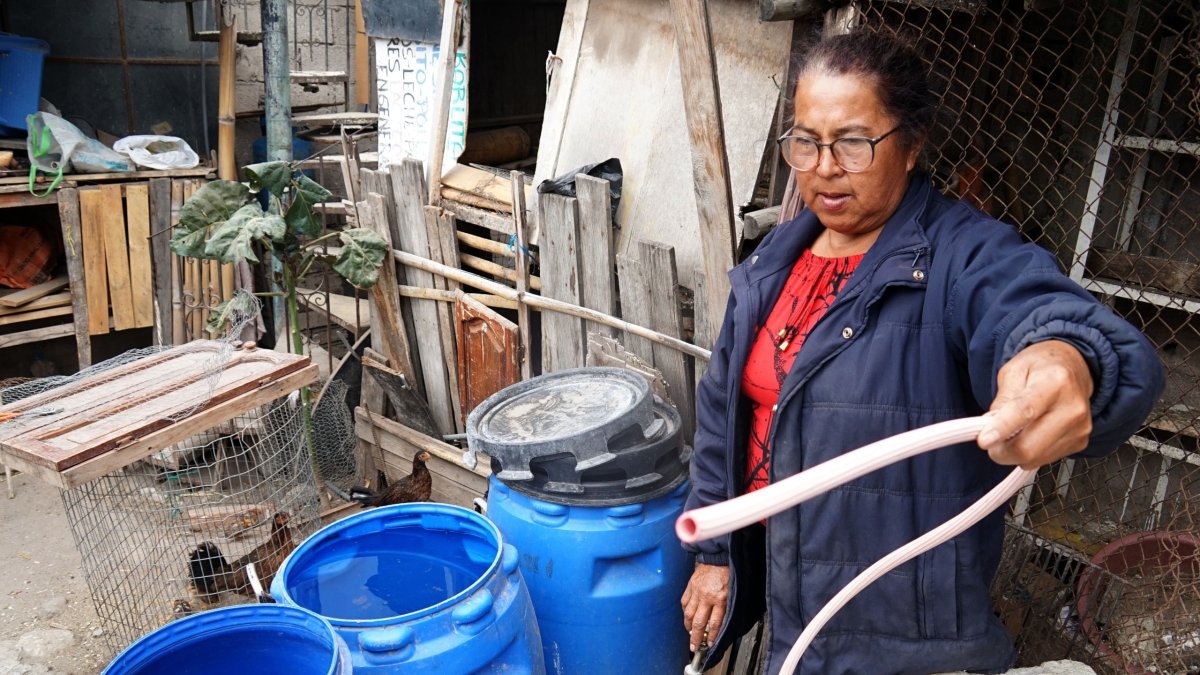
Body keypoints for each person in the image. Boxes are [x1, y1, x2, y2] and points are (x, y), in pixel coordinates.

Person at [679, 28, 1164, 675]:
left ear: (910, 144)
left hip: (900, 633)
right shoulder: (773, 261)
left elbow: (1043, 313)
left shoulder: (960, 253)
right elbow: (723, 410)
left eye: (852, 141)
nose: (823, 165)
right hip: (783, 596)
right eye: (805, 140)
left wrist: (1068, 357)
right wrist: (715, 552)